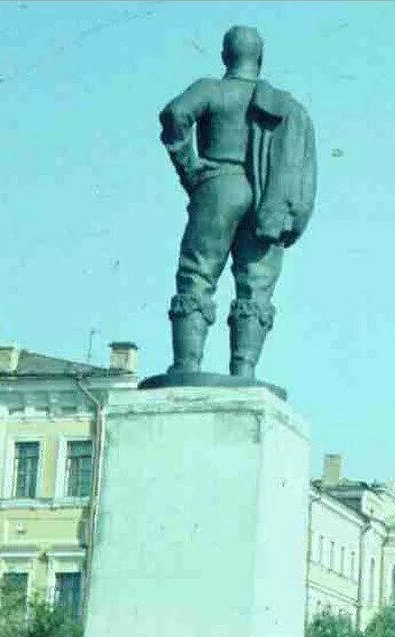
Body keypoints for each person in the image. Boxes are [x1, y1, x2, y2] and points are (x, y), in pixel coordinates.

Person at [158, 25, 317, 380]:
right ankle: (243, 371)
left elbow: (174, 114)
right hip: (267, 196)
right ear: (260, 60)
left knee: (197, 273)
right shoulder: (285, 106)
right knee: (255, 282)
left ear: (224, 56)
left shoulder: (212, 89)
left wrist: (191, 166)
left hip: (219, 185)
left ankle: (187, 365)